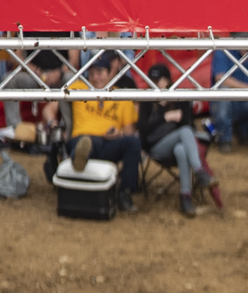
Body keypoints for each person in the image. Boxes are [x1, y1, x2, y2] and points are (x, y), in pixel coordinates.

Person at [67, 50, 144, 214]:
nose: (96, 77)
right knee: (87, 141)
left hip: (109, 143)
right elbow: (51, 107)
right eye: (92, 73)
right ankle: (78, 157)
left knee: (133, 142)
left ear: (110, 73)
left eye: (100, 72)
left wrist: (118, 133)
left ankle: (125, 192)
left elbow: (129, 132)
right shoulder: (78, 87)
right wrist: (51, 122)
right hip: (84, 136)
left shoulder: (121, 96)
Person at [140, 64, 219, 218]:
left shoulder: (179, 98)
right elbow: (143, 129)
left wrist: (173, 112)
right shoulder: (146, 99)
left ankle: (185, 197)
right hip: (156, 147)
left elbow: (187, 123)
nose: (154, 84)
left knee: (181, 149)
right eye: (151, 81)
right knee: (184, 132)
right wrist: (165, 116)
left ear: (167, 80)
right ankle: (199, 172)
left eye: (157, 80)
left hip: (178, 145)